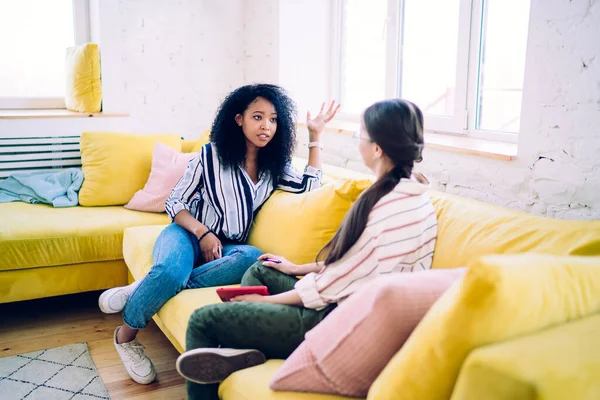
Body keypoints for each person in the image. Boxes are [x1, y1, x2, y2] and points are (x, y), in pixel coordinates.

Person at [176, 98, 438, 400]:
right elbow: (354, 265)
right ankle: (249, 346)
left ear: (377, 149)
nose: (359, 143)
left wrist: (265, 304)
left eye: (361, 136)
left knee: (202, 320)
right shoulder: (411, 193)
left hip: (335, 320)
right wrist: (296, 268)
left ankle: (244, 343)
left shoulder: (389, 209)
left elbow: (329, 289)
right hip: (337, 300)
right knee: (262, 267)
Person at [97, 83, 340, 384]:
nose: (267, 126)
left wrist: (315, 136)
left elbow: (310, 187)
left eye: (273, 119)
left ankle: (147, 285)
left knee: (251, 256)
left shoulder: (274, 165)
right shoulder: (211, 155)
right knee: (171, 273)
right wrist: (203, 233)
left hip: (230, 249)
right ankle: (126, 336)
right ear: (239, 119)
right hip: (186, 233)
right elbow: (175, 201)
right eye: (258, 117)